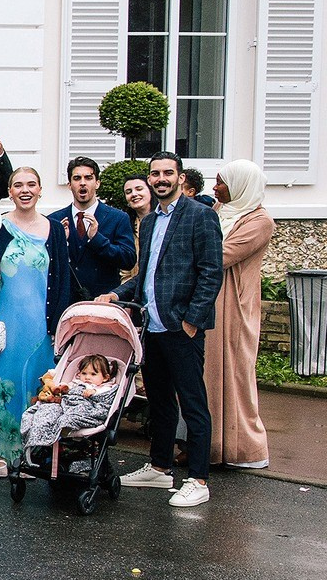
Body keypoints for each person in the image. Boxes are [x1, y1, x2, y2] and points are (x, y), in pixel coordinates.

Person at [111, 153, 224, 509]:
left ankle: (198, 478)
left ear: (180, 177)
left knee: (192, 403)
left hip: (182, 327)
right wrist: (116, 294)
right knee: (158, 402)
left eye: (167, 173)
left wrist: (192, 319)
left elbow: (211, 272)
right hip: (152, 328)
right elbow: (146, 277)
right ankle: (159, 468)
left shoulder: (200, 215)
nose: (160, 178)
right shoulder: (148, 222)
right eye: (155, 173)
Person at [0, 167, 58, 474]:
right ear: (10, 191)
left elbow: (61, 278)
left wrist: (57, 323)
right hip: (4, 321)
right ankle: (1, 454)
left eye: (31, 184)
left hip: (39, 324)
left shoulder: (54, 229)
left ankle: (33, 455)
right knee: (0, 385)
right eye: (17, 185)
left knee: (35, 385)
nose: (24, 189)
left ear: (40, 190)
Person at [205, 160, 275, 470]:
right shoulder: (219, 212)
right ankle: (210, 446)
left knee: (234, 373)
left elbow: (222, 255)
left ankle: (242, 448)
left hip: (235, 305)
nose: (215, 187)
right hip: (210, 300)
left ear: (240, 186)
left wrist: (186, 251)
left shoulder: (260, 221)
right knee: (208, 374)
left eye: (221, 182)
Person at [47, 156, 136, 319]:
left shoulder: (117, 218)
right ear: (69, 185)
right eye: (77, 178)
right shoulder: (54, 220)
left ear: (97, 183)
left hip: (103, 306)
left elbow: (128, 259)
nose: (82, 183)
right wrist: (62, 243)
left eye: (88, 178)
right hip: (66, 308)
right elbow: (46, 265)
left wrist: (97, 239)